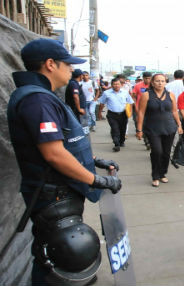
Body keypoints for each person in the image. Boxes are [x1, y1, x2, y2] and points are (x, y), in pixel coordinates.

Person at [7, 38, 122, 286]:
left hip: (60, 193)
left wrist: (93, 161)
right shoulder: (37, 100)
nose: (71, 69)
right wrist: (97, 180)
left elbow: (64, 144)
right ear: (50, 64)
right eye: (67, 64)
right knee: (65, 255)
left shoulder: (42, 96)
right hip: (54, 195)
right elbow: (53, 154)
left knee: (58, 255)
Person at [136, 74, 183, 187]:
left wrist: (179, 125)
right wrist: (139, 129)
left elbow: (174, 111)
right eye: (157, 81)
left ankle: (162, 174)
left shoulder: (170, 95)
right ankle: (155, 175)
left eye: (162, 81)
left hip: (169, 128)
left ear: (166, 82)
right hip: (153, 129)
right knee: (157, 152)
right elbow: (141, 113)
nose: (160, 83)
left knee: (166, 153)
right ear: (152, 83)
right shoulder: (146, 95)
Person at [99, 78, 134, 152]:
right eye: (114, 84)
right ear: (111, 85)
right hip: (112, 115)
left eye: (118, 84)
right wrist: (99, 113)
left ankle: (121, 141)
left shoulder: (125, 92)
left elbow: (130, 102)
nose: (116, 85)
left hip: (123, 114)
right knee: (115, 129)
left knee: (123, 129)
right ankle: (116, 144)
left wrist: (130, 112)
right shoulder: (106, 93)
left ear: (121, 85)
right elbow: (102, 103)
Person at [132, 72, 152, 149]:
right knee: (142, 125)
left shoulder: (154, 85)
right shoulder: (138, 86)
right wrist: (135, 106)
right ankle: (147, 141)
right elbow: (133, 96)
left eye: (149, 78)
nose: (148, 80)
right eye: (146, 78)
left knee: (150, 125)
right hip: (140, 108)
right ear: (143, 78)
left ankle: (150, 140)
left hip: (151, 109)